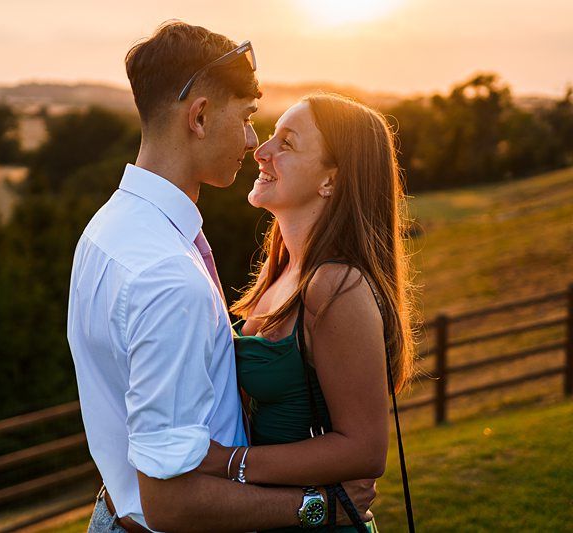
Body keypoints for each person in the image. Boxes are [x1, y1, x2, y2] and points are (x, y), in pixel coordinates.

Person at [67, 21, 375, 532]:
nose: (254, 141)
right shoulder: (169, 277)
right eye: (250, 118)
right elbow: (171, 504)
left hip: (116, 514)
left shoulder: (107, 230)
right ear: (201, 116)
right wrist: (313, 508)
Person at [196, 93, 417, 532]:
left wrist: (228, 463)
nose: (261, 151)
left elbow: (365, 451)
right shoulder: (280, 273)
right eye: (271, 137)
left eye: (288, 144)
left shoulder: (336, 287)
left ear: (330, 181)